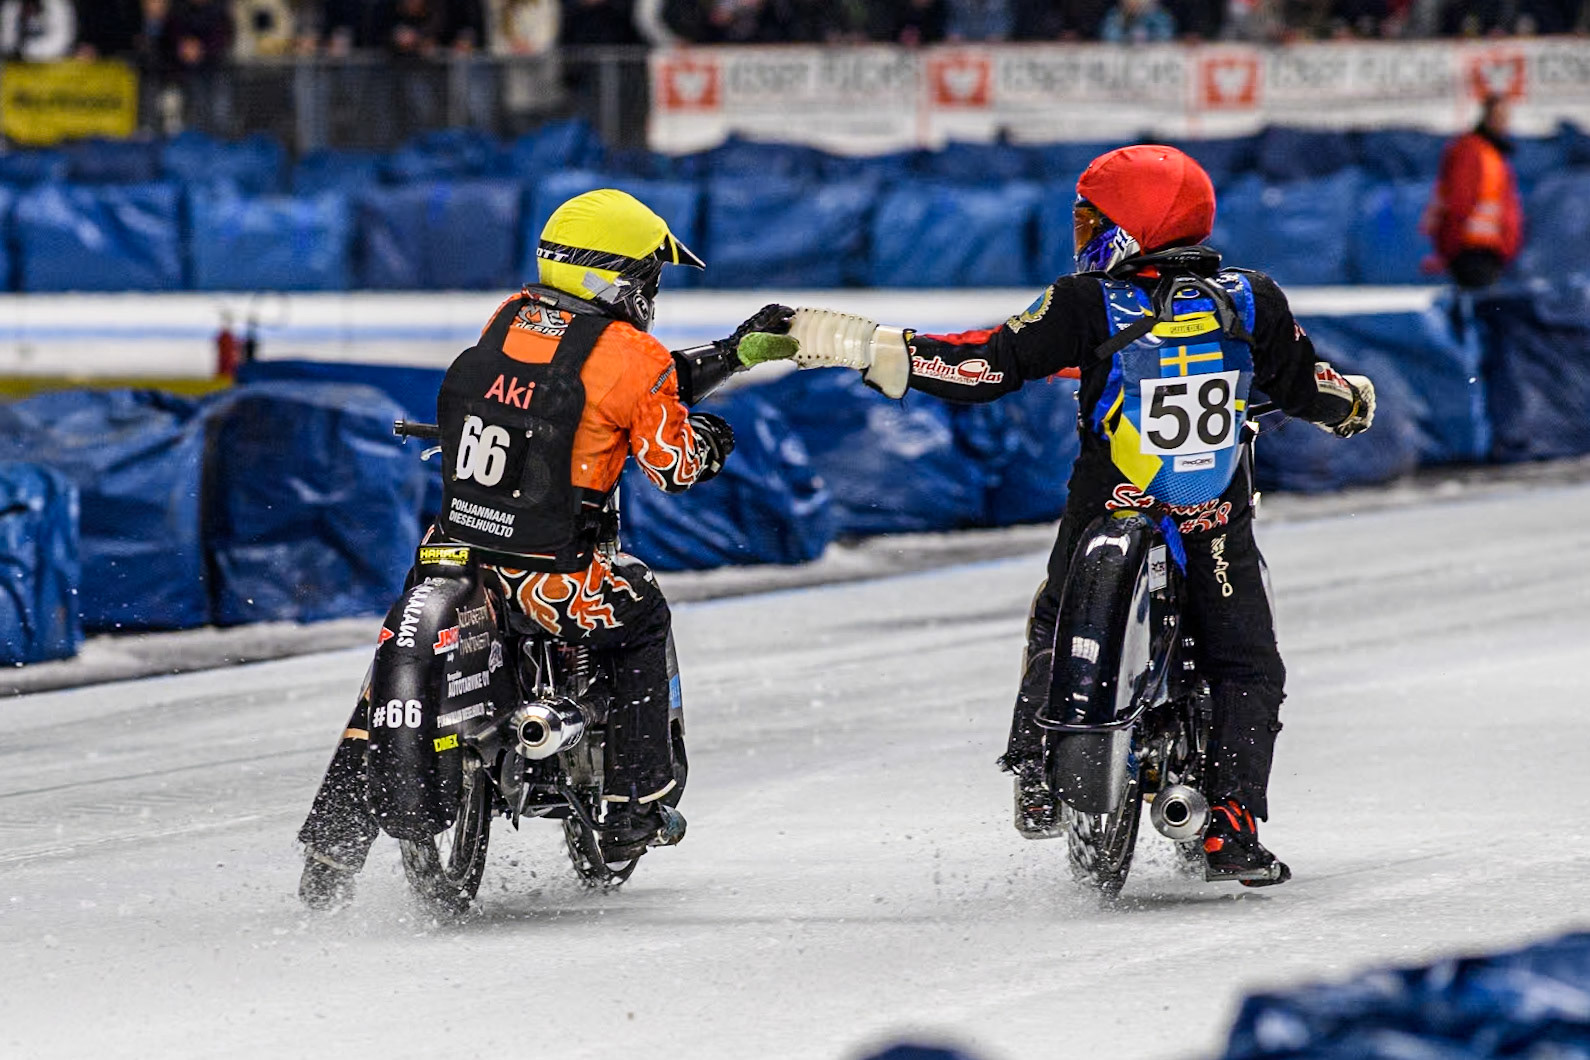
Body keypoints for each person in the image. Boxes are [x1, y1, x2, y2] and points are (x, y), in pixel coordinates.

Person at [791, 146, 1376, 884]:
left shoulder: (1087, 300)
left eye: (1091, 216)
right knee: (1247, 664)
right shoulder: (1254, 297)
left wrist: (873, 348)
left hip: (1108, 507)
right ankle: (1233, 820)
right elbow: (1301, 386)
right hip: (1211, 520)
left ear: (1133, 223)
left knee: (1054, 614)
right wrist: (1349, 402)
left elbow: (984, 367)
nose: (1081, 230)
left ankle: (1038, 766)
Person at [297, 189, 798, 908]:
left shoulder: (509, 317)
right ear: (620, 278)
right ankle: (636, 805)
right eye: (650, 277)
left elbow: (593, 385)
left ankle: (333, 842)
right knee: (643, 617)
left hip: (457, 553)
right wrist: (711, 440)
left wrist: (732, 356)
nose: (653, 291)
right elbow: (671, 460)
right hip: (552, 576)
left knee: (387, 674)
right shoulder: (635, 355)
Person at [1424, 94, 1523, 290]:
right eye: (1499, 116)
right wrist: (1449, 246)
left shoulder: (1492, 153)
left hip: (1489, 250)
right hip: (1471, 250)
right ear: (1487, 116)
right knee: (1481, 308)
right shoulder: (1472, 151)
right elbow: (1457, 201)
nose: (1504, 122)